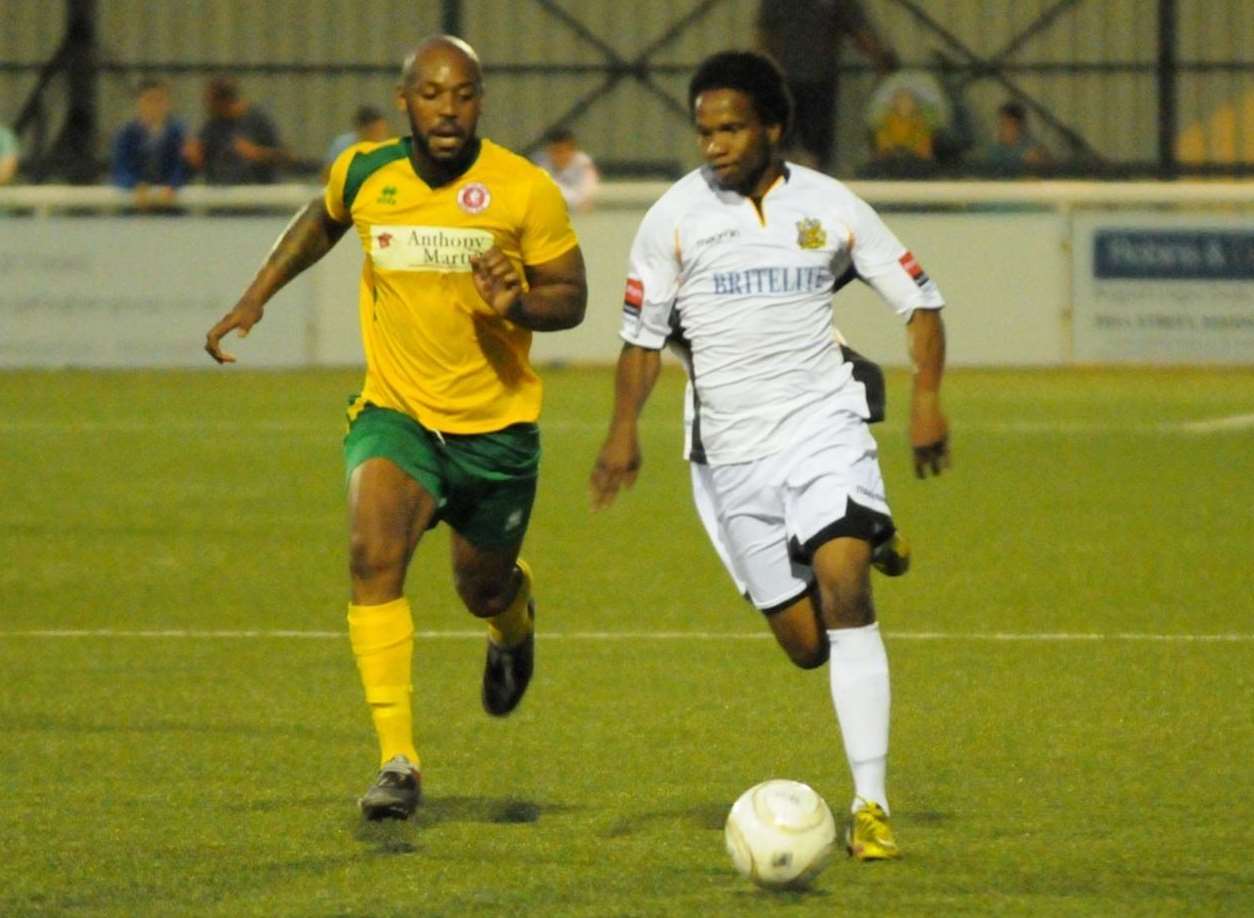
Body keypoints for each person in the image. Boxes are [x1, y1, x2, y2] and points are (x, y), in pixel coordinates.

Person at [204, 35, 587, 821]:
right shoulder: (365, 170)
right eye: (434, 94)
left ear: (481, 102)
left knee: (479, 586)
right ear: (406, 99)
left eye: (465, 95)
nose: (449, 110)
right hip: (398, 413)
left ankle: (512, 623)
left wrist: (517, 304)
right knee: (371, 555)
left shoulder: (523, 191)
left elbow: (573, 298)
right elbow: (322, 218)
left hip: (496, 430)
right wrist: (257, 295)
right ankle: (398, 762)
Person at [589, 50, 949, 862]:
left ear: (773, 127)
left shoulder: (832, 207)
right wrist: (622, 433)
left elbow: (919, 302)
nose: (714, 144)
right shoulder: (672, 219)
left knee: (845, 585)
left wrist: (926, 400)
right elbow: (641, 342)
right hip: (730, 455)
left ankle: (871, 805)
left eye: (731, 128)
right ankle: (866, 535)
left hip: (822, 426)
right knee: (807, 646)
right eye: (704, 130)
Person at [755, 0, 899, 172]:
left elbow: (859, 31)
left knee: (814, 151)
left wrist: (880, 58)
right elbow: (764, 37)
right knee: (783, 148)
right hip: (787, 83)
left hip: (818, 83)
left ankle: (812, 186)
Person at [184, 75, 286, 184]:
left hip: (257, 193)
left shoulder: (258, 120)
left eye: (212, 104)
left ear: (226, 102)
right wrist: (194, 156)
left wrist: (257, 153)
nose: (208, 109)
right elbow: (201, 157)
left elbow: (285, 157)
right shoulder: (213, 124)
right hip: (221, 194)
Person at [110, 79, 188, 210]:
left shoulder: (178, 133)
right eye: (149, 100)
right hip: (134, 206)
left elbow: (182, 166)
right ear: (139, 103)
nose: (154, 106)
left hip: (170, 206)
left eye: (159, 100)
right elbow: (120, 168)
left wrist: (173, 185)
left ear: (167, 103)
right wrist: (134, 185)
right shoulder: (126, 133)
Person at [531, 126, 599, 211]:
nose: (559, 156)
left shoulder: (584, 164)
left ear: (572, 150)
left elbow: (586, 198)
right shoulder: (539, 163)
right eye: (554, 151)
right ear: (548, 150)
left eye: (563, 151)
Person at [321, 105, 391, 180]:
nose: (380, 135)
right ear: (362, 130)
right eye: (375, 131)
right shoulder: (343, 144)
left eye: (383, 130)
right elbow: (328, 174)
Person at [983, 101, 1051, 175]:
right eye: (1000, 124)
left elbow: (1049, 170)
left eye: (1005, 124)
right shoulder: (995, 151)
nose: (1001, 129)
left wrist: (1040, 161)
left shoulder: (1034, 147)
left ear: (1017, 126)